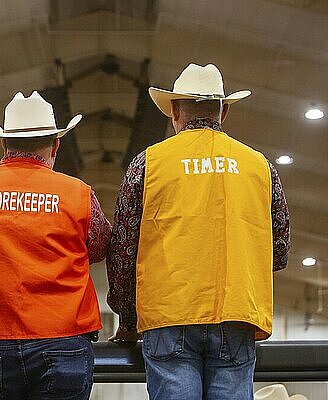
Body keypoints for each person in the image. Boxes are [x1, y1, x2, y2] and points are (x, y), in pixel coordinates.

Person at [106, 63, 290, 400]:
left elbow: (123, 253)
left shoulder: (149, 163)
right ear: (224, 112)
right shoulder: (259, 165)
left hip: (168, 316)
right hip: (236, 314)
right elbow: (278, 250)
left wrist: (129, 319)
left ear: (175, 111)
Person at [0, 91, 112, 400]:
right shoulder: (79, 194)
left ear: (3, 143)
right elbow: (101, 247)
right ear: (56, 144)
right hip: (64, 340)